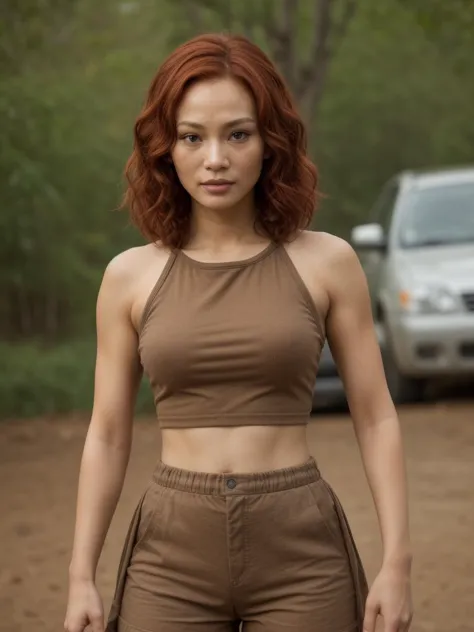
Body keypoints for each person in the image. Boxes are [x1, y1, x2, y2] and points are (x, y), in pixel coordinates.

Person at [64, 32, 413, 632]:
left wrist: (398, 562)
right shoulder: (128, 276)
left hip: (301, 551)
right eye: (192, 137)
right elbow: (108, 434)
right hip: (170, 555)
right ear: (165, 148)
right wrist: (79, 578)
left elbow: (376, 416)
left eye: (238, 134)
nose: (215, 159)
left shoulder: (327, 262)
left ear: (270, 141)